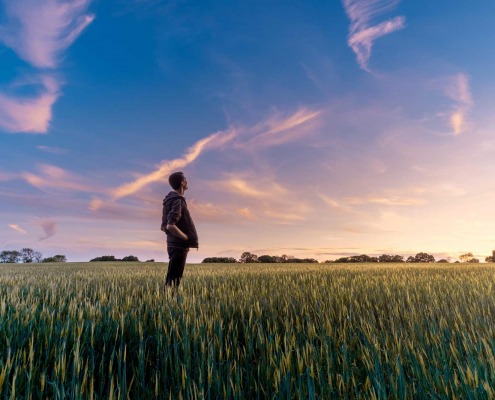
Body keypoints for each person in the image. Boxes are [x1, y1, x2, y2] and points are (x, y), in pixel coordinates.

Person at [161, 171, 199, 288]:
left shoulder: (169, 200)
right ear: (182, 182)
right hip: (179, 245)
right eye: (185, 179)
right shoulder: (178, 200)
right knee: (174, 280)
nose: (187, 181)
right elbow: (170, 225)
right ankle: (168, 303)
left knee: (172, 278)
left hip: (172, 244)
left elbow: (163, 226)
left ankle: (165, 301)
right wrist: (186, 238)